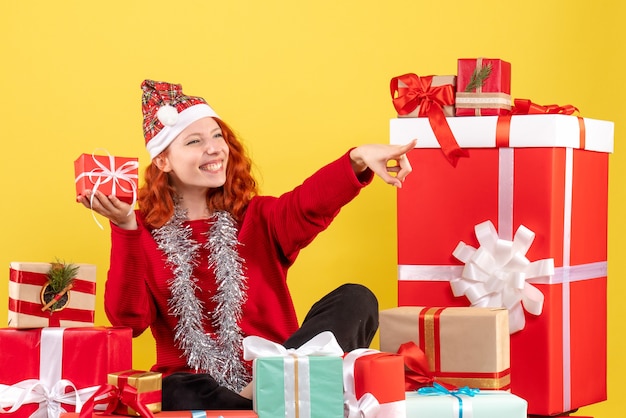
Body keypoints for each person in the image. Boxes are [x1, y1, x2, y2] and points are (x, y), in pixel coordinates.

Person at [76, 80, 416, 410]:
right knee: (172, 388)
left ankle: (267, 385)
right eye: (194, 141)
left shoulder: (258, 217)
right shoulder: (144, 233)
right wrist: (125, 229)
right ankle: (261, 398)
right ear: (163, 161)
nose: (214, 148)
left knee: (356, 299)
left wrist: (356, 158)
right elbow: (128, 322)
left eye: (217, 136)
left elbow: (308, 204)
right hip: (201, 389)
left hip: (278, 364)